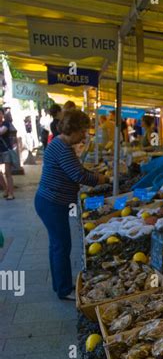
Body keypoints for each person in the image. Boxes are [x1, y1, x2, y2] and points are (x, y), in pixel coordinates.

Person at [34, 108, 108, 300]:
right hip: (51, 203)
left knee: (56, 245)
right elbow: (79, 175)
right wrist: (102, 178)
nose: (84, 135)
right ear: (73, 129)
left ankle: (59, 285)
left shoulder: (60, 144)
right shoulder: (62, 148)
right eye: (82, 131)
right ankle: (65, 289)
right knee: (62, 245)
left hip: (49, 201)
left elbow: (75, 170)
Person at [0, 107, 15, 200]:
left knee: (7, 173)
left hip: (6, 151)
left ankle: (11, 193)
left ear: (2, 115)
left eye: (0, 114)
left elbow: (1, 132)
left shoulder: (6, 124)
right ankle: (5, 189)